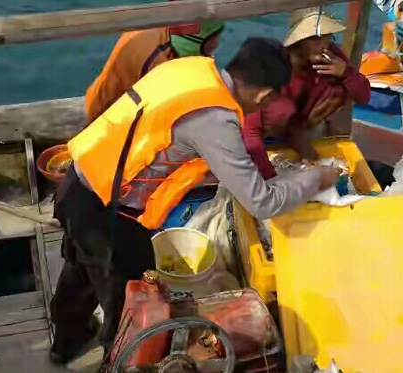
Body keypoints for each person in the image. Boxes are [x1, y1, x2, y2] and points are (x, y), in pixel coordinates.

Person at [49, 37, 341, 366]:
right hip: (107, 214)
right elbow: (262, 202)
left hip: (78, 179)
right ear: (264, 95)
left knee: (80, 268)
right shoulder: (216, 119)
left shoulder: (190, 70)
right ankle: (119, 362)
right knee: (134, 306)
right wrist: (316, 177)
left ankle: (64, 343)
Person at [243, 8, 371, 180]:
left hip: (303, 128)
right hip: (260, 138)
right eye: (315, 38)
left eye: (328, 36)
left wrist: (346, 73)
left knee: (339, 91)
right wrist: (271, 178)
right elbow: (250, 132)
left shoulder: (331, 56)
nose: (325, 44)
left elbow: (363, 97)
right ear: (298, 42)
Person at [84, 21, 225, 123]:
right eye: (217, 35)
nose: (218, 42)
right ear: (207, 39)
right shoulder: (163, 66)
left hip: (105, 107)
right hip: (108, 124)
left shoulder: (160, 26)